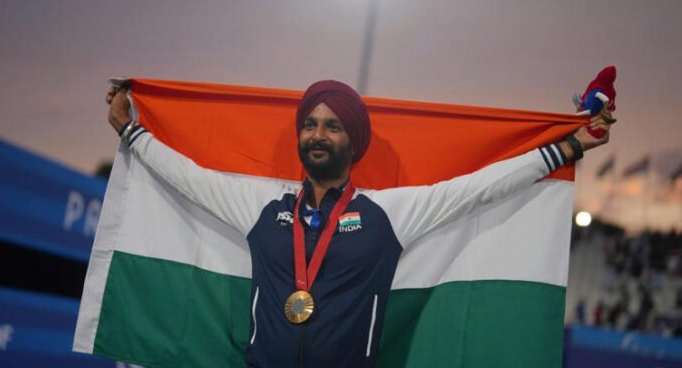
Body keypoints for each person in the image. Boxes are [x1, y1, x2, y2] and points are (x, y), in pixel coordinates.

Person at [106, 79, 613, 367]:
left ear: (354, 142)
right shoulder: (261, 207)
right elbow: (189, 179)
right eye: (308, 124)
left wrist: (569, 146)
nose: (317, 133)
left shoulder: (388, 214)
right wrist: (131, 130)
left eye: (332, 125)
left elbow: (478, 187)